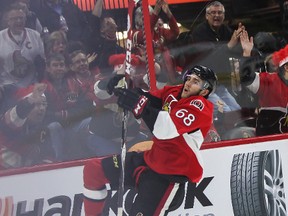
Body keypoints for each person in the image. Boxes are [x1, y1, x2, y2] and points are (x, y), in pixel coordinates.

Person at [82, 65, 217, 215]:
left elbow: (164, 129)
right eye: (189, 78)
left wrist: (137, 103)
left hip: (168, 177)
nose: (188, 83)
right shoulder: (175, 91)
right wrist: (124, 88)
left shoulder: (200, 107)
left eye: (196, 81)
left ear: (204, 91)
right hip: (150, 159)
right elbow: (147, 98)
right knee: (93, 170)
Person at [188, 1, 243, 128]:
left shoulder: (226, 31)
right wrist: (229, 45)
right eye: (213, 13)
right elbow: (208, 59)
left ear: (224, 16)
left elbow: (234, 53)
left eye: (219, 13)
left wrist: (243, 46)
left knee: (238, 112)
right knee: (228, 114)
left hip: (220, 84)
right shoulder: (199, 33)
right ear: (206, 16)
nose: (216, 15)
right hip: (203, 85)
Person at [0, 83, 63, 169]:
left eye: (44, 104)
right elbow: (15, 118)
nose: (41, 108)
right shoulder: (12, 122)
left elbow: (47, 155)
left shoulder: (43, 129)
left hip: (23, 176)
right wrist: (30, 101)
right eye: (37, 104)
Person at [239, 30, 288, 136]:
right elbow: (246, 78)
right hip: (268, 143)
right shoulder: (270, 82)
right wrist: (247, 54)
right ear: (286, 67)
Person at [0, 3, 45, 86]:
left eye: (21, 18)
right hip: (6, 86)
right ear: (8, 21)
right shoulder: (0, 38)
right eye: (14, 19)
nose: (19, 21)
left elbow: (43, 62)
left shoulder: (35, 35)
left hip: (32, 85)